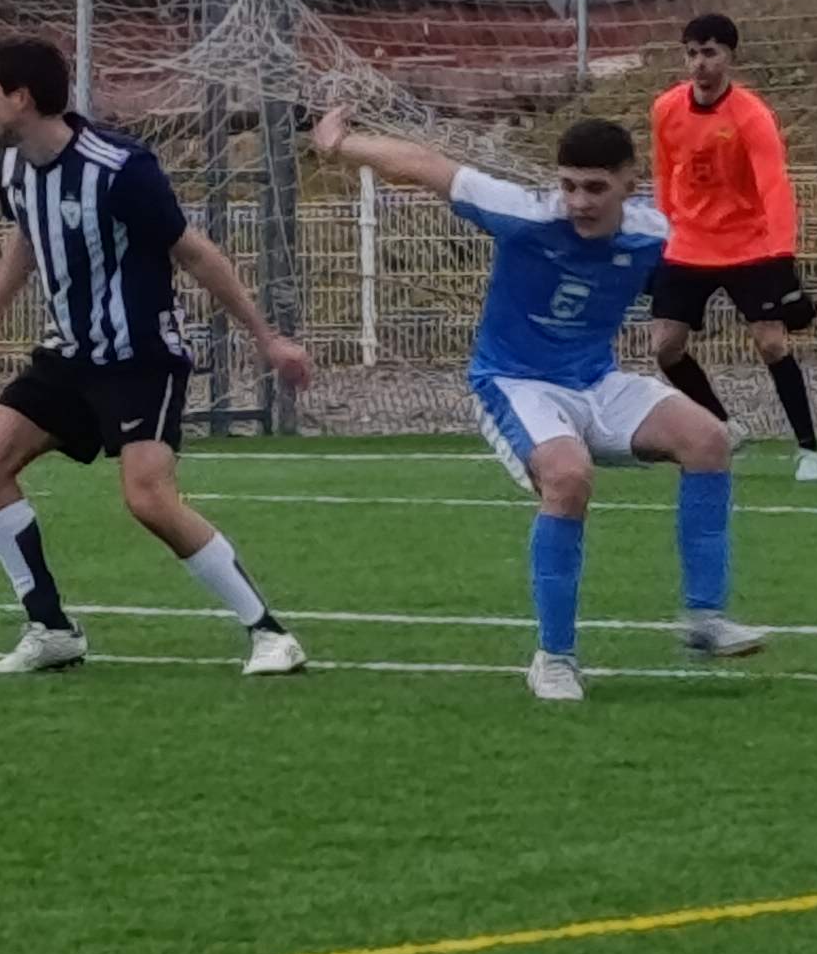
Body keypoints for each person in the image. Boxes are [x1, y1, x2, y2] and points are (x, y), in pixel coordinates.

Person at [310, 103, 761, 702]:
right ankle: (554, 658)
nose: (579, 201)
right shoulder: (522, 214)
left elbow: (723, 251)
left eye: (595, 188)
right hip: (515, 382)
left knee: (708, 439)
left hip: (596, 381)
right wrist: (339, 144)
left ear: (630, 182)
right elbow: (425, 166)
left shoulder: (655, 234)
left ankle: (705, 620)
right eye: (569, 186)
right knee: (569, 478)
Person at [0, 35, 314, 678]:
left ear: (21, 97)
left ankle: (269, 633)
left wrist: (267, 338)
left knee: (148, 498)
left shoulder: (120, 168)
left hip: (140, 356)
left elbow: (194, 252)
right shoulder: (12, 167)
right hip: (69, 355)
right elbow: (27, 237)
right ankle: (51, 628)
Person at [646, 11, 817, 480]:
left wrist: (782, 258)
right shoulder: (666, 108)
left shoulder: (751, 115)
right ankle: (725, 427)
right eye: (692, 53)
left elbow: (774, 186)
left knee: (771, 343)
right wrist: (661, 233)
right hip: (688, 243)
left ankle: (808, 449)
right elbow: (664, 174)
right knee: (665, 347)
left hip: (749, 245)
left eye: (709, 53)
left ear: (729, 56)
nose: (699, 63)